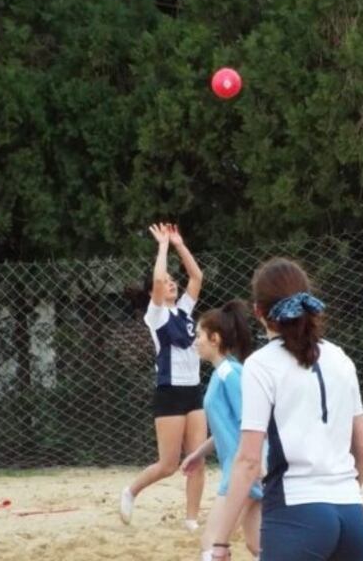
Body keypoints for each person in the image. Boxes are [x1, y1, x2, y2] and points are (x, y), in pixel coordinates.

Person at [207, 257, 363, 561]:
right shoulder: (340, 358)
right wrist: (346, 494)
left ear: (259, 312)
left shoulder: (261, 364)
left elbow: (247, 461)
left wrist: (220, 541)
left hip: (295, 510)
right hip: (351, 513)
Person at [121, 223, 207, 531]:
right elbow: (157, 278)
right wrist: (162, 247)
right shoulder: (155, 315)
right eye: (167, 282)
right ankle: (130, 491)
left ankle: (191, 519)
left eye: (173, 281)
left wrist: (180, 245)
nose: (171, 283)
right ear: (152, 293)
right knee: (169, 464)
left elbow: (196, 277)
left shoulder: (184, 311)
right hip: (170, 393)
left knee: (196, 459)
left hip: (193, 392)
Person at [180, 301, 262, 560]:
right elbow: (227, 428)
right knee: (258, 545)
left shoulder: (231, 374)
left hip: (243, 472)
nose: (196, 341)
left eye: (199, 335)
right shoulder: (221, 374)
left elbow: (253, 426)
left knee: (211, 545)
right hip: (242, 469)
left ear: (214, 338)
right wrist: (198, 453)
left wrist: (256, 469)